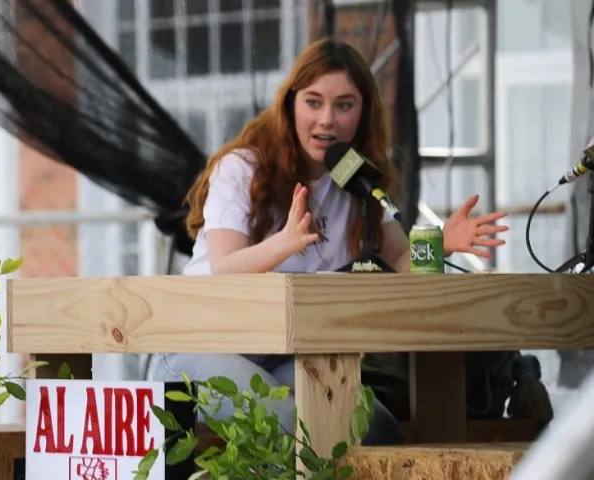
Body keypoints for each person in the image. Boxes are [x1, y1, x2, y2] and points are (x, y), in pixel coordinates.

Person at [146, 39, 509, 444]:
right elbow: (225, 266)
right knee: (296, 426)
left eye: (344, 105)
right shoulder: (243, 167)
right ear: (291, 104)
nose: (327, 120)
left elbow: (398, 261)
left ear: (363, 113)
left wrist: (442, 243)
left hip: (287, 356)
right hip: (199, 348)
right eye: (314, 102)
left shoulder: (359, 180)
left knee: (375, 430)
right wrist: (285, 242)